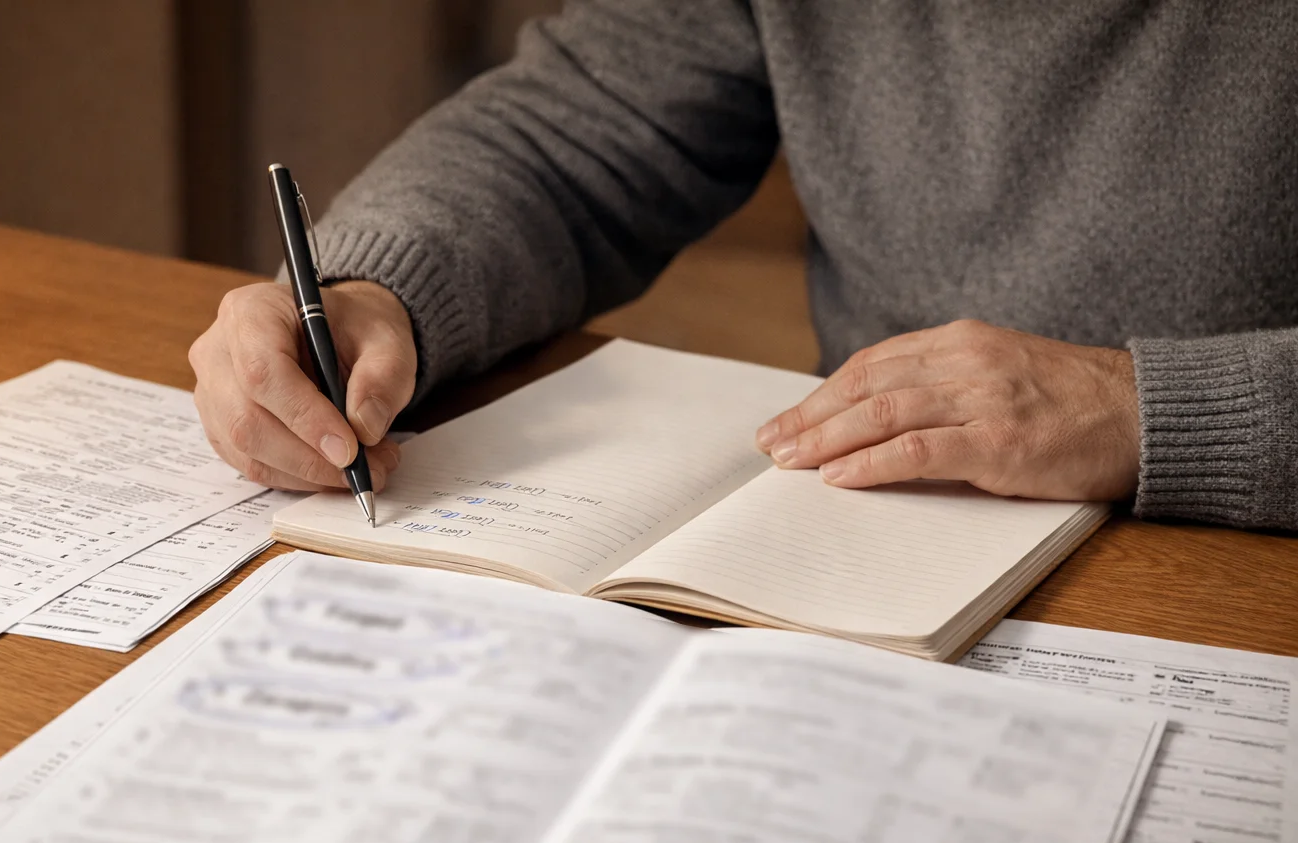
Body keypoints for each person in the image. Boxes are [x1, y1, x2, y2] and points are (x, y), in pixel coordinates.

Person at [189, 0, 1298, 532]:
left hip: (1246, 563)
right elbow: (574, 132)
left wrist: (1153, 412)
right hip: (879, 530)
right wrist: (376, 289)